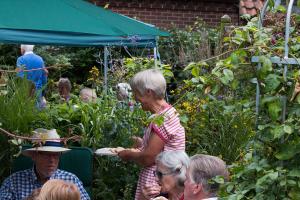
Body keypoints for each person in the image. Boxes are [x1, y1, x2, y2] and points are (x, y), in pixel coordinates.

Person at [117, 69, 186, 200]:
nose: (135, 98)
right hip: (165, 181)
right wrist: (142, 143)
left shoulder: (163, 119)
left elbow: (149, 158)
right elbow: (164, 149)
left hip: (159, 185)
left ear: (149, 92)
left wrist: (128, 154)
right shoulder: (167, 113)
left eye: (136, 93)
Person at [0, 129, 90, 200]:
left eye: (56, 155)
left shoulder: (71, 180)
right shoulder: (13, 182)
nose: (52, 160)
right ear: (33, 156)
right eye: (46, 154)